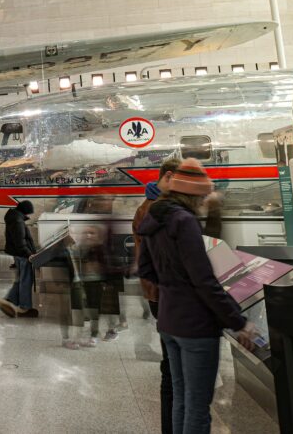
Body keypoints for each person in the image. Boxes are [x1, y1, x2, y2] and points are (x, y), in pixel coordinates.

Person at [138, 158, 258, 434]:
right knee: (197, 406)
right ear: (193, 193)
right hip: (195, 327)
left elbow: (145, 268)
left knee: (180, 398)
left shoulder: (154, 216)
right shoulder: (185, 221)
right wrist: (238, 321)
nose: (205, 200)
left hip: (169, 320)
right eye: (203, 195)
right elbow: (203, 280)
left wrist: (172, 285)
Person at [131, 157, 179, 434]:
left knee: (170, 363)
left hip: (156, 292)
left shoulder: (147, 207)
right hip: (167, 294)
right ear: (169, 177)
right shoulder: (159, 210)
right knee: (173, 368)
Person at [0, 200, 38, 318]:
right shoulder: (18, 221)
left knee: (21, 279)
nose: (28, 216)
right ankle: (24, 307)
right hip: (22, 255)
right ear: (24, 211)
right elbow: (20, 241)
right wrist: (29, 254)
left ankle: (8, 300)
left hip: (19, 254)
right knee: (26, 280)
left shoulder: (14, 218)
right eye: (28, 214)